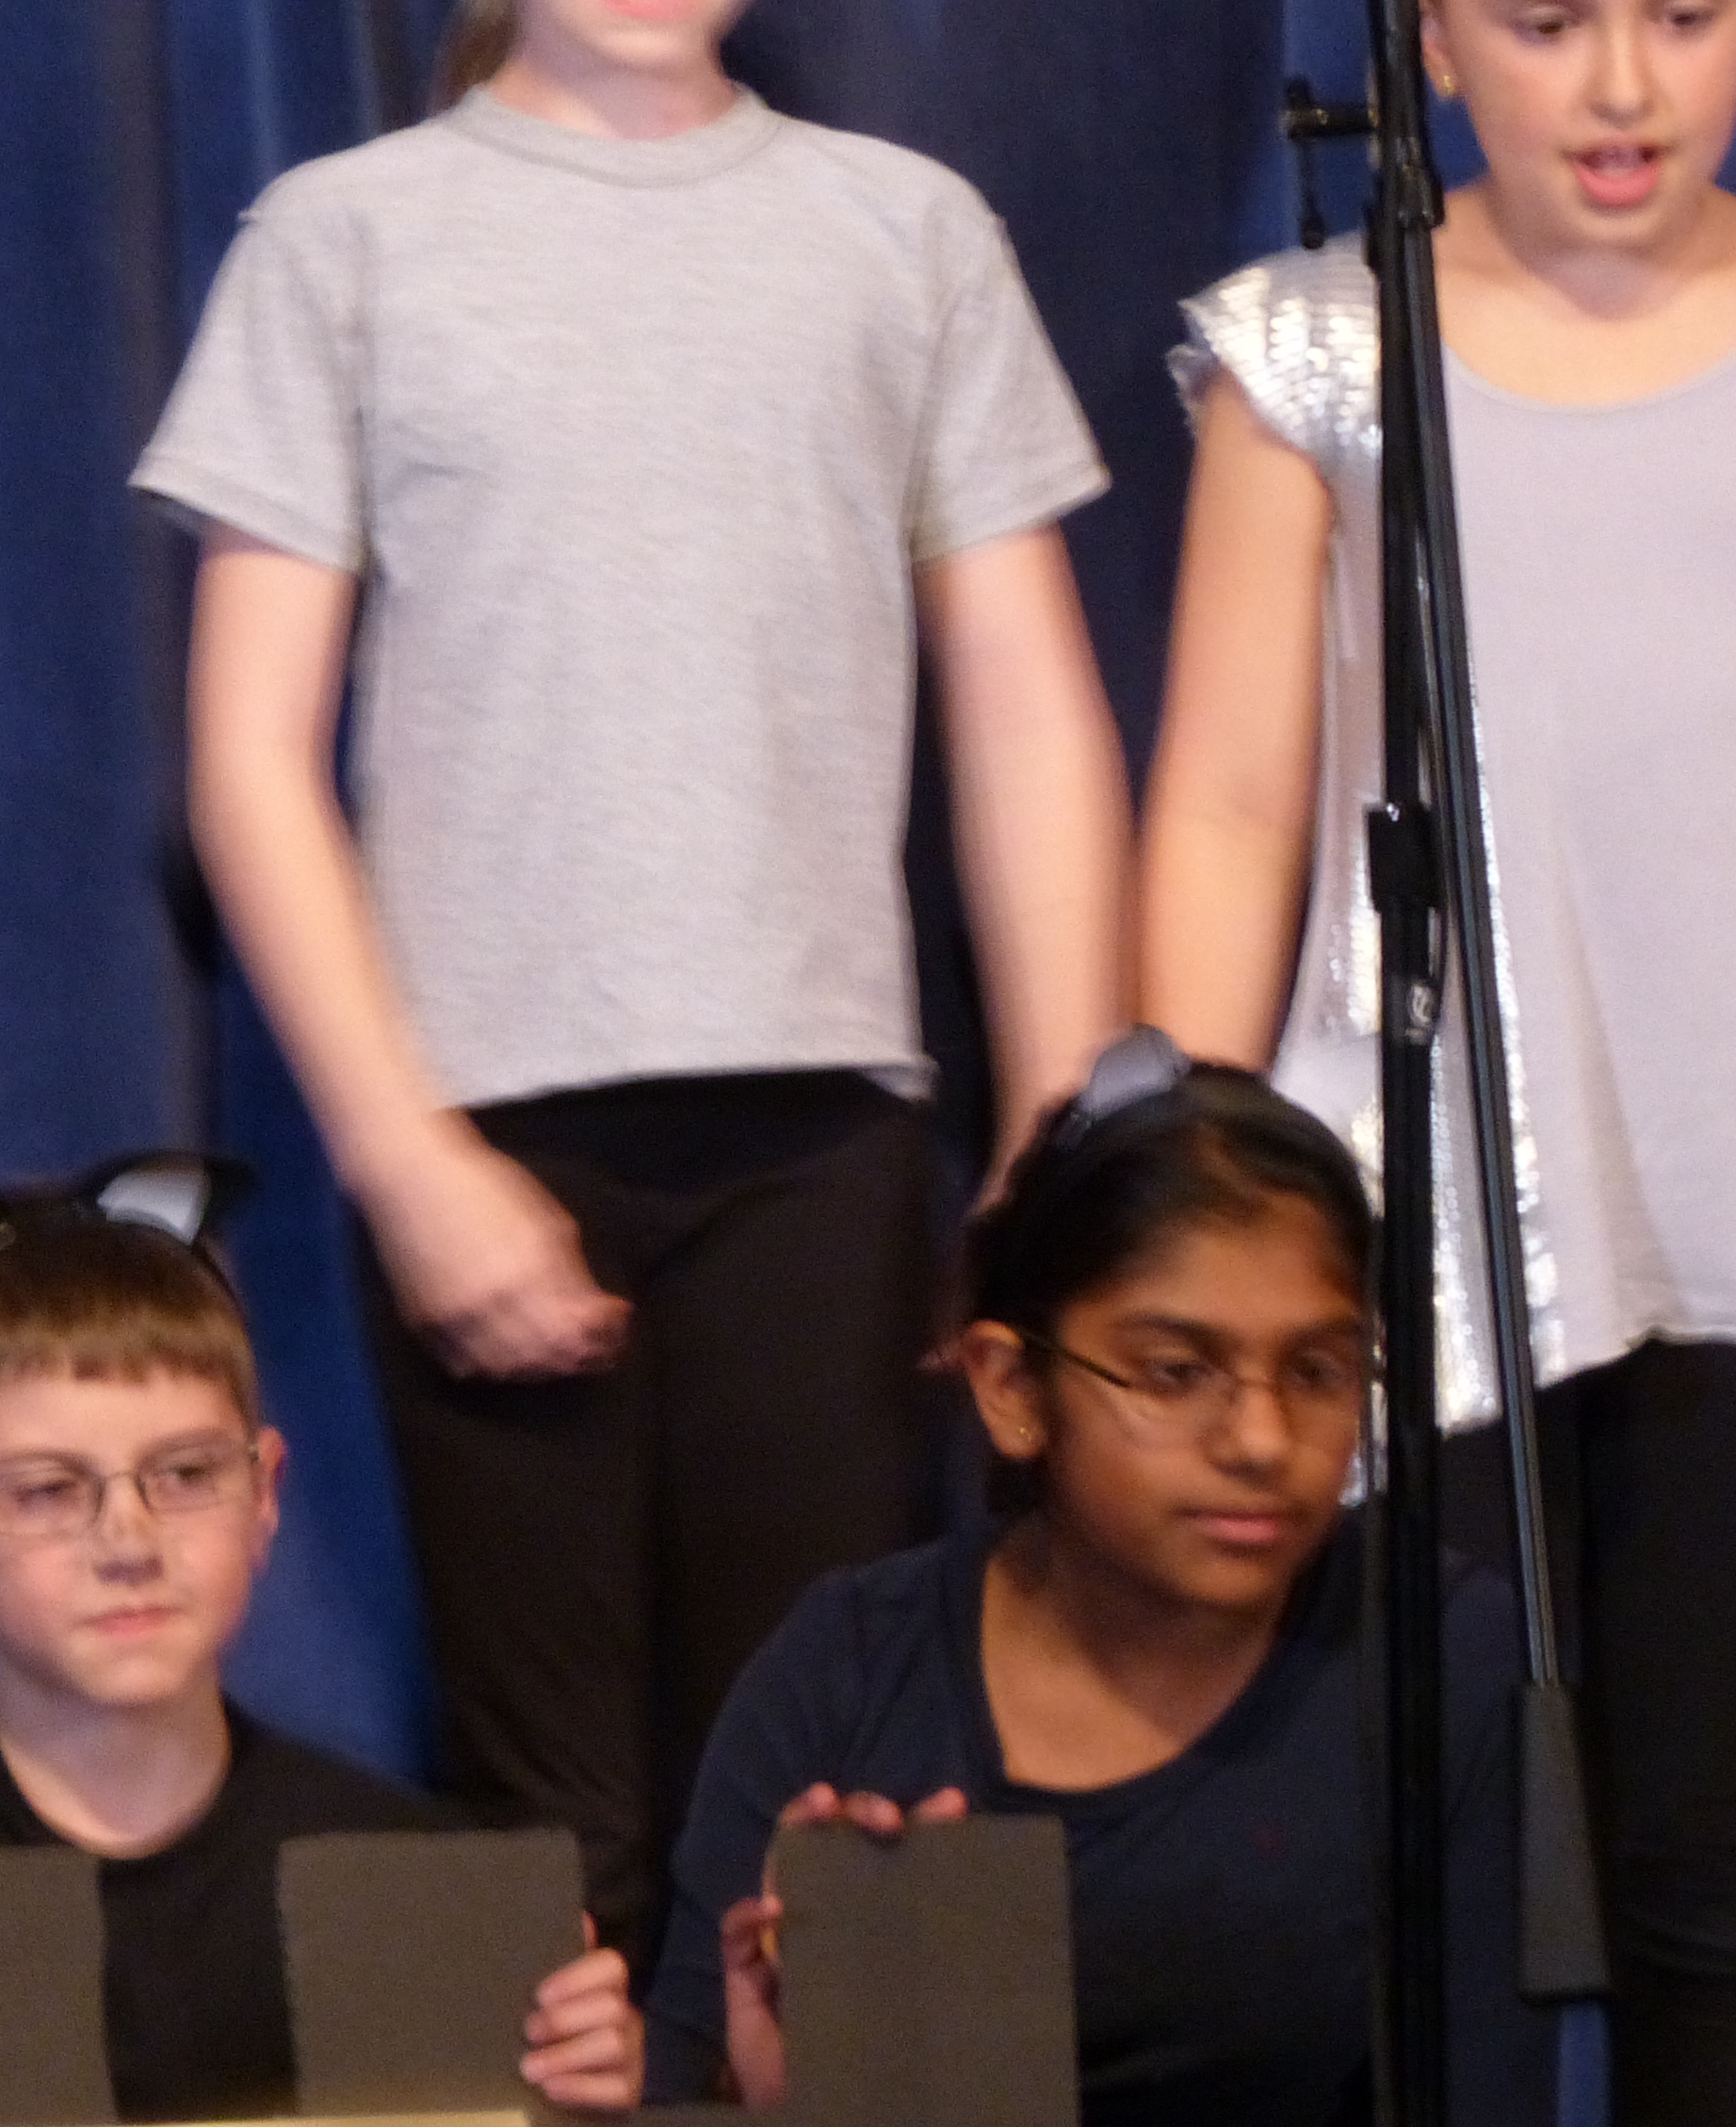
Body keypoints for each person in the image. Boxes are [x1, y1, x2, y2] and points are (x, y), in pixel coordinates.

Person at [132, 0, 1134, 1973]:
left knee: (823, 1830)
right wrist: (406, 1163)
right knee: (551, 1844)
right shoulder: (345, 238)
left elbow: (1025, 707)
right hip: (489, 1137)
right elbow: (250, 757)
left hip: (823, 1136)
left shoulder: (902, 231)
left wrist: (1056, 1136)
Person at [1136, 0, 1736, 2127]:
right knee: (1401, 1886)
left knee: (1696, 1881)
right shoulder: (1320, 350)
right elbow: (1234, 791)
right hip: (1404, 1235)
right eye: (1547, 21)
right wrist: (1196, 1199)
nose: (1618, 83)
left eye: (1679, 14)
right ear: (1437, 46)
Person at [641, 1042, 1572, 2127]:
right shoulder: (851, 1667)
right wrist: (776, 2100)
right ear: (1013, 1388)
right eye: (1176, 1371)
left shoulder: (1433, 1656)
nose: (1261, 1438)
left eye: (1318, 1370)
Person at [0, 1163, 638, 2127]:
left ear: (262, 1496)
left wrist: (580, 2093)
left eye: (184, 1474)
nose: (128, 1543)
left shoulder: (409, 1879)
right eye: (45, 1492)